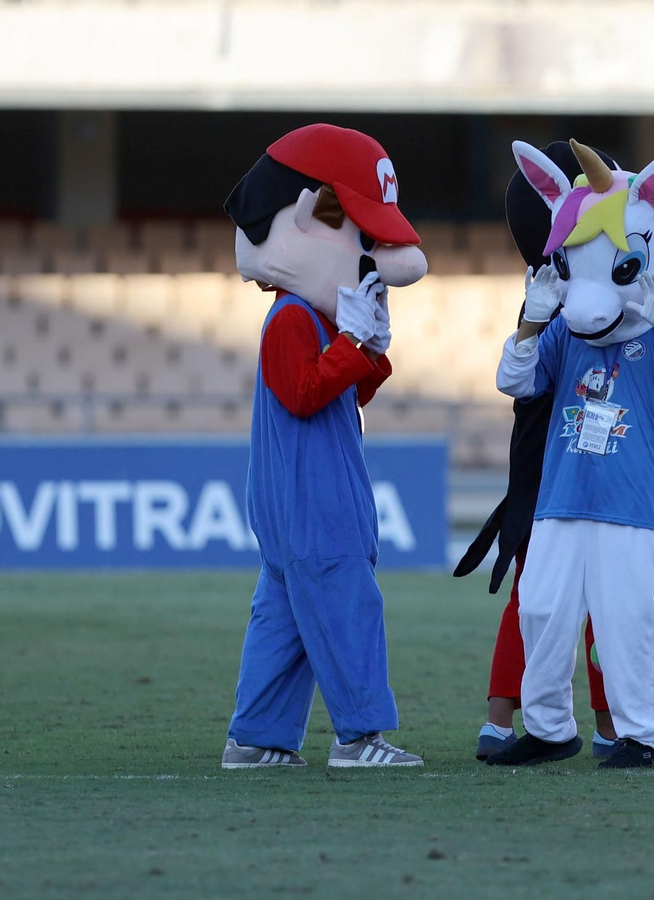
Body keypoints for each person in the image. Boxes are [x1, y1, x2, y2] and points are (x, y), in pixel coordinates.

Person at [485, 140, 654, 769]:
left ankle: (643, 735)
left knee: (625, 621)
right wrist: (532, 323)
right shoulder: (564, 335)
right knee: (540, 609)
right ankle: (548, 729)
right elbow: (514, 382)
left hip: (630, 506)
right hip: (560, 499)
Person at [219, 124, 428, 768]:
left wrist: (367, 350)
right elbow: (303, 392)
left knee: (283, 620)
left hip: (296, 495)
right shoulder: (292, 316)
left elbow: (345, 393)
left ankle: (255, 739)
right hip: (315, 495)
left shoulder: (311, 317)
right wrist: (351, 345)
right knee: (345, 605)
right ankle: (360, 736)